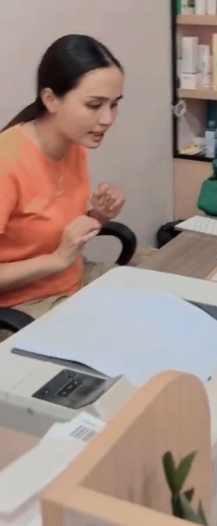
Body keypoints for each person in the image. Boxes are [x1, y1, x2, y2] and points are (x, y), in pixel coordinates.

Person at [0, 35, 126, 331]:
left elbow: (49, 233)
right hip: (22, 307)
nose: (108, 118)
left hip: (73, 282)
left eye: (114, 105)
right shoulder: (7, 163)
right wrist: (56, 260)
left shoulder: (73, 143)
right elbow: (57, 253)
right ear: (50, 99)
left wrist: (98, 216)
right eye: (94, 105)